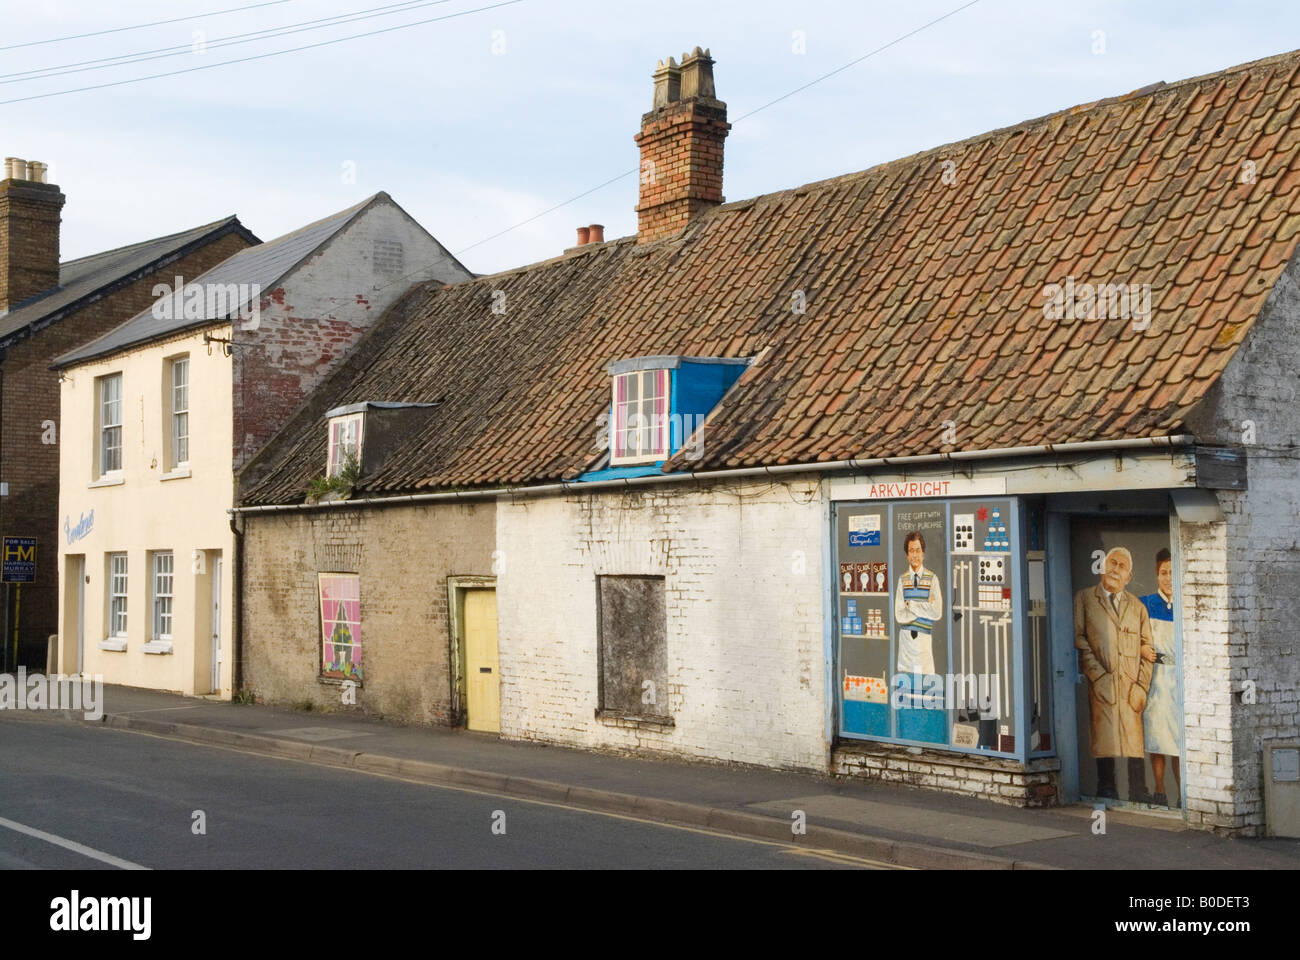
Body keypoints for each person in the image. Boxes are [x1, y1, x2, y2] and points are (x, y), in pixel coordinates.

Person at [1074, 546, 1156, 802]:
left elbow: (1148, 651)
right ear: (1102, 566)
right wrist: (1098, 676)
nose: (1115, 569)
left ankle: (1138, 790)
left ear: (1129, 576)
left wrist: (1141, 686)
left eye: (1121, 566)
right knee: (1104, 739)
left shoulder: (1137, 607)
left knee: (1133, 741)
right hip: (1103, 684)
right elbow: (1079, 639)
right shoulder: (1086, 598)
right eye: (1112, 563)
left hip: (1131, 685)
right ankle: (1105, 788)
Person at [1139, 549, 1181, 806]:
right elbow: (1130, 635)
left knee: (1178, 737)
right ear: (1156, 574)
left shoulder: (1187, 603)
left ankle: (1181, 791)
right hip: (1156, 678)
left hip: (1179, 679)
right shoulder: (1146, 603)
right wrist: (1142, 649)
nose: (1167, 578)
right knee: (1156, 735)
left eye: (1172, 573)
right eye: (1163, 573)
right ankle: (1159, 789)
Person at [894, 531, 943, 677]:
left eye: (917, 550)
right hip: (906, 643)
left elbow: (937, 612)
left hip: (923, 641)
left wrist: (911, 605)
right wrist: (925, 607)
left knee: (925, 687)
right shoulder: (902, 580)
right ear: (907, 555)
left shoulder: (932, 579)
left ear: (923, 553)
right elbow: (899, 615)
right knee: (906, 686)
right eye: (911, 551)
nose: (914, 555)